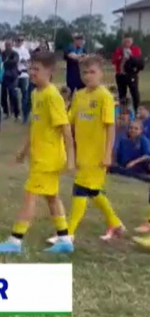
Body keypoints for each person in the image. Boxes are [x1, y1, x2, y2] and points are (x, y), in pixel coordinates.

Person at [0, 53, 76, 255]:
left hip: (49, 158)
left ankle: (15, 240)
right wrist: (23, 151)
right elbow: (35, 127)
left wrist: (71, 158)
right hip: (40, 156)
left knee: (30, 196)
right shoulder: (36, 93)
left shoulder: (52, 96)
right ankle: (64, 239)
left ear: (50, 72)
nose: (32, 73)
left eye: (36, 69)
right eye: (31, 69)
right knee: (51, 197)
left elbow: (65, 129)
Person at [46, 56, 124, 245]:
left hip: (97, 154)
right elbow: (69, 120)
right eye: (84, 73)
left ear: (101, 74)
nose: (88, 76)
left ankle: (68, 233)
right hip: (82, 153)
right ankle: (115, 224)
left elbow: (110, 127)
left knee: (80, 190)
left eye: (92, 72)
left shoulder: (105, 96)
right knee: (93, 191)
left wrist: (107, 154)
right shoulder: (79, 95)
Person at [112, 34, 143, 113]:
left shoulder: (135, 49)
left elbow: (139, 62)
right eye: (125, 41)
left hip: (131, 74)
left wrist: (131, 56)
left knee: (135, 93)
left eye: (128, 41)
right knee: (122, 94)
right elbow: (114, 61)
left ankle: (137, 111)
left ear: (132, 42)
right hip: (121, 75)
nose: (127, 43)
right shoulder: (119, 50)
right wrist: (122, 57)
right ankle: (123, 112)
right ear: (123, 42)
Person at [13, 36, 32, 123]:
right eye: (18, 40)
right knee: (14, 95)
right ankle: (16, 113)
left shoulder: (25, 50)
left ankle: (25, 115)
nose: (20, 42)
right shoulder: (13, 50)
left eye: (21, 40)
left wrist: (25, 61)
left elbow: (28, 60)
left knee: (25, 95)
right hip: (15, 74)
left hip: (24, 74)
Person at [1, 40, 20, 120]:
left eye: (9, 45)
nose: (8, 46)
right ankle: (6, 112)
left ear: (11, 45)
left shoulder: (15, 53)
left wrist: (6, 61)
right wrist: (6, 61)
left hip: (13, 77)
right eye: (6, 45)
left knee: (13, 95)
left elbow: (15, 61)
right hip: (4, 77)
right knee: (3, 96)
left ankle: (16, 113)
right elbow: (1, 61)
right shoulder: (3, 53)